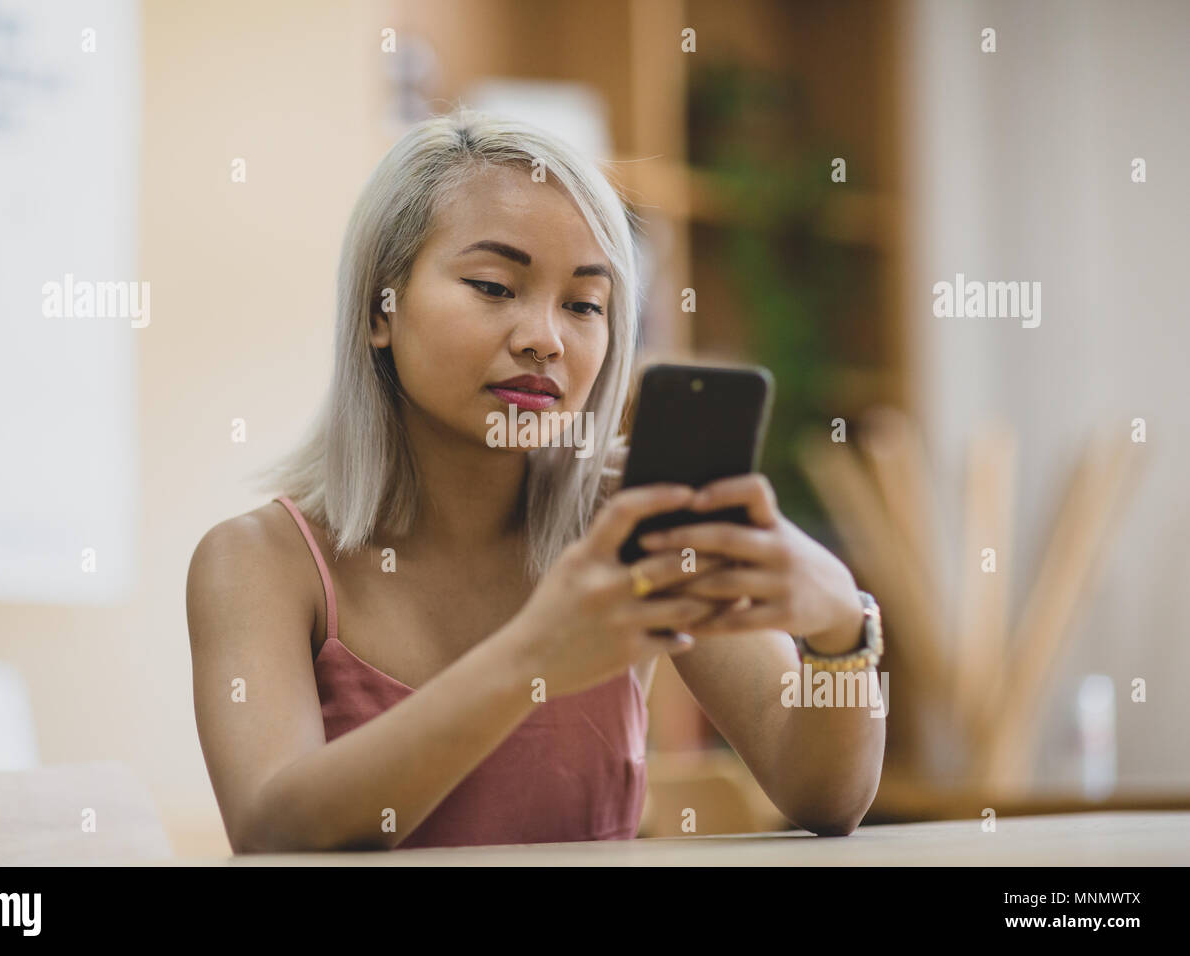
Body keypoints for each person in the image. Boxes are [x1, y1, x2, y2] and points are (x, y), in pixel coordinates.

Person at [185, 108, 884, 852]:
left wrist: (839, 629)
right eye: (493, 286)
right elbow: (270, 832)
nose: (544, 339)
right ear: (377, 310)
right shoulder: (257, 563)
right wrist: (536, 656)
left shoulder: (633, 524)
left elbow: (825, 796)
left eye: (584, 304)